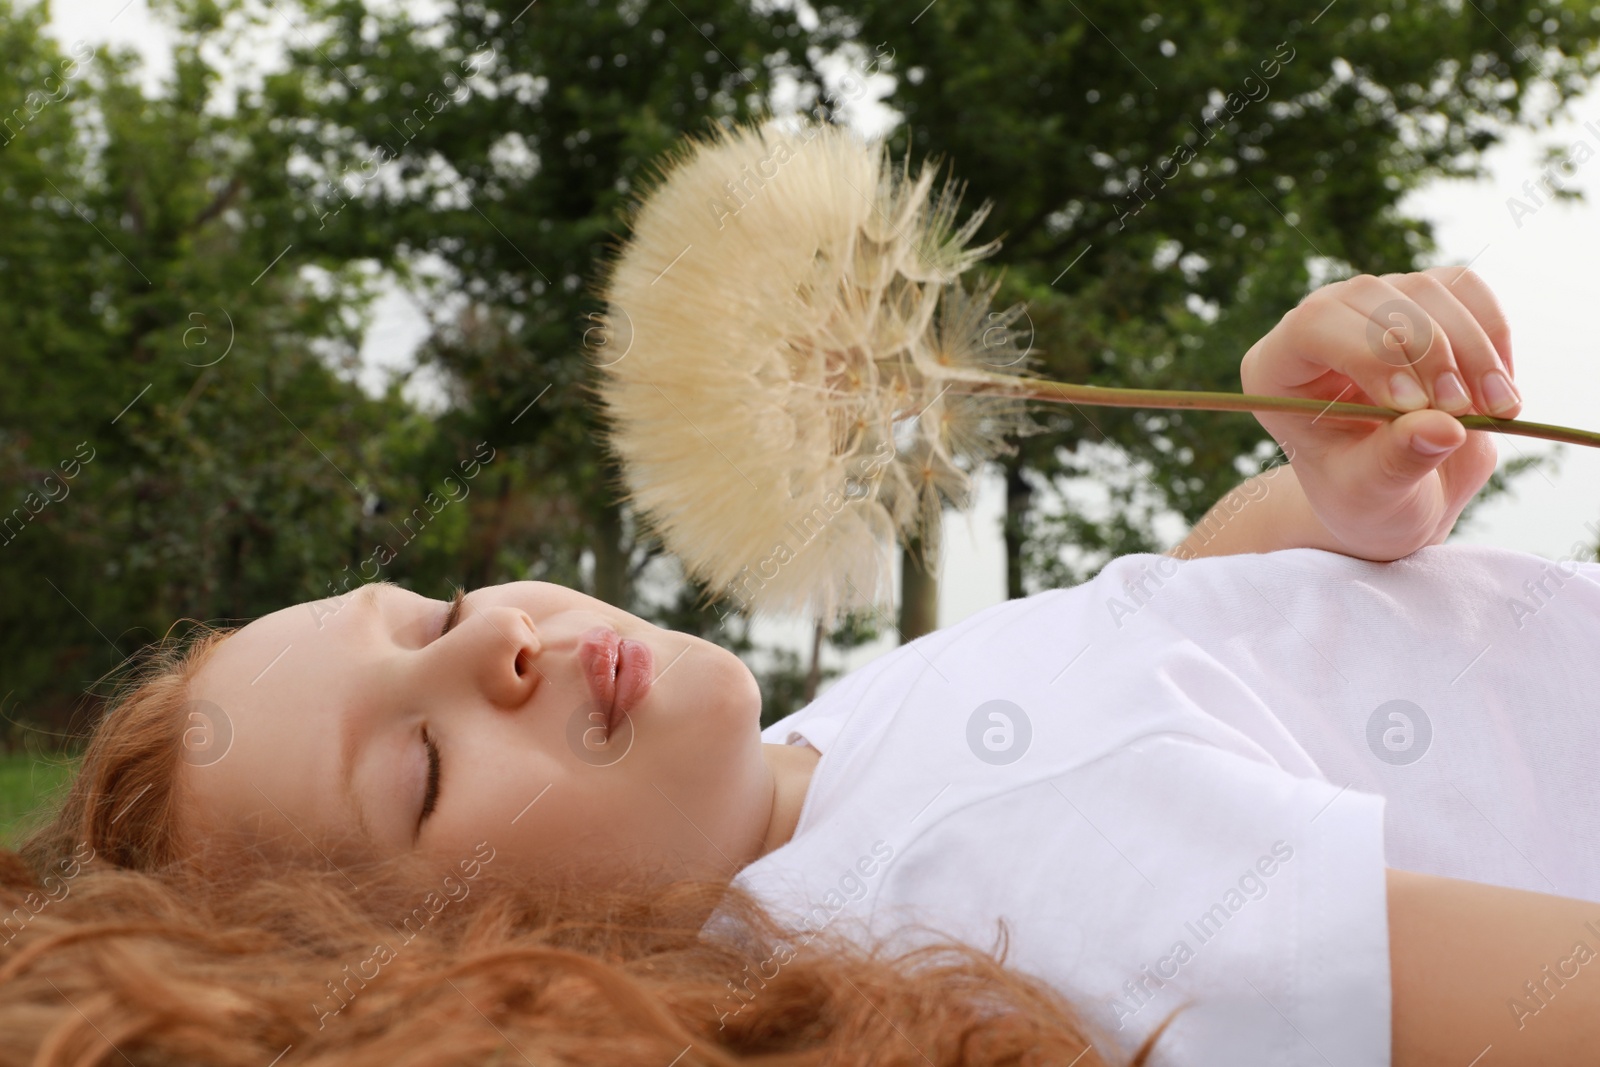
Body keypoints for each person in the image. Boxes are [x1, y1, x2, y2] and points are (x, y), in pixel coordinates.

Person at [6, 266, 1595, 1066]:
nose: (493, 641)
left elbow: (1169, 628)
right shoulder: (983, 879)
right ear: (491, 969)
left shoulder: (845, 763)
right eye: (419, 770)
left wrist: (1325, 489)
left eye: (431, 613)